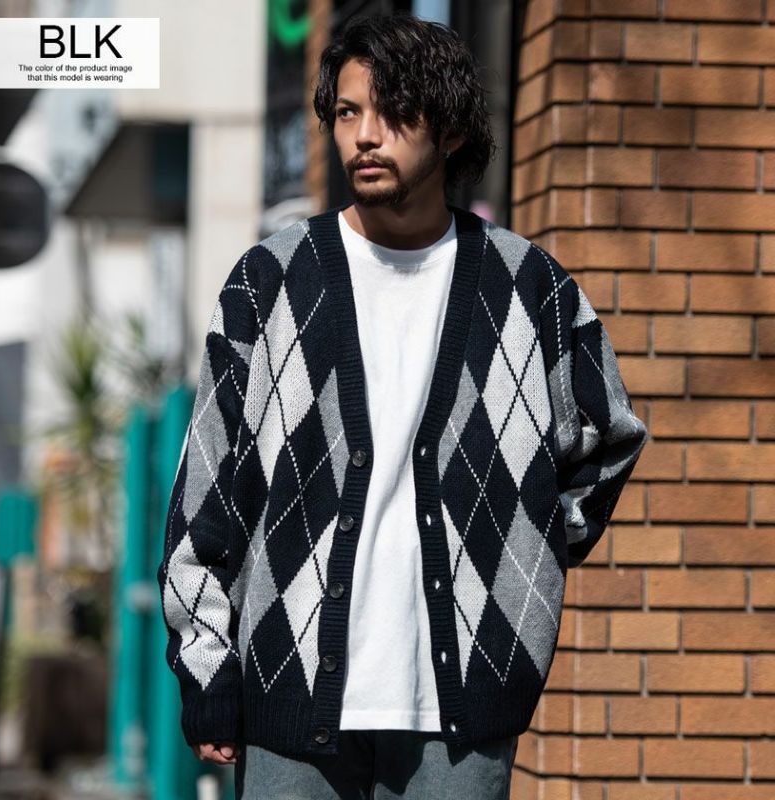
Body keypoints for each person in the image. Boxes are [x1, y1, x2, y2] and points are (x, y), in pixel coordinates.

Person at [157, 12, 649, 800]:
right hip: (290, 702)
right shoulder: (271, 283)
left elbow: (610, 433)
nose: (364, 135)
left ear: (450, 131)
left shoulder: (528, 290)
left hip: (463, 716)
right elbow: (207, 492)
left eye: (392, 113)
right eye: (348, 112)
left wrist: (525, 546)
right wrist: (208, 666)